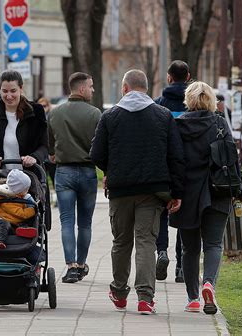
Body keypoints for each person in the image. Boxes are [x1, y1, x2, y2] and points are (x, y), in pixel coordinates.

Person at [90, 69, 185, 314]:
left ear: (124, 88)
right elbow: (176, 156)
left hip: (121, 190)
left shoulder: (110, 116)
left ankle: (119, 292)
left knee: (121, 242)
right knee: (146, 241)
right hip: (152, 191)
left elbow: (96, 154)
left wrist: (111, 169)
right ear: (146, 89)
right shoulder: (163, 115)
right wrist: (177, 191)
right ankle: (145, 298)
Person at [169, 81, 242, 314]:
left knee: (189, 249)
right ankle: (209, 284)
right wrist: (240, 189)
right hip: (218, 191)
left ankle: (193, 298)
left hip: (187, 194)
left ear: (188, 100)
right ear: (211, 100)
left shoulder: (177, 125)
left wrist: (172, 193)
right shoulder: (220, 123)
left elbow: (173, 160)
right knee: (213, 244)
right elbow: (232, 159)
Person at [47, 72, 102, 283]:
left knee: (67, 221)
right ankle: (81, 264)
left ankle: (70, 266)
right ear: (81, 89)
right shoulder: (95, 114)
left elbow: (50, 145)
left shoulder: (55, 113)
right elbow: (101, 145)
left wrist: (55, 153)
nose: (93, 90)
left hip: (64, 172)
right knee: (85, 223)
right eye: (90, 86)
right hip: (88, 172)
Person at [154, 60, 190, 282]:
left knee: (161, 213)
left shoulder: (159, 104)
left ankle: (162, 252)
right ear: (188, 77)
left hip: (162, 167)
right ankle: (181, 267)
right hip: (187, 167)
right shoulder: (193, 104)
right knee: (184, 216)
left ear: (169, 78)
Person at [0, 69, 48, 170]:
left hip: (31, 176)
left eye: (13, 91)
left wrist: (34, 157)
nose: (9, 96)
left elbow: (45, 146)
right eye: (5, 91)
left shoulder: (36, 112)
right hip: (0, 178)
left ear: (21, 88)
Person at [0, 169, 37, 249]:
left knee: (21, 224)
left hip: (13, 222)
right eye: (26, 189)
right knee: (4, 224)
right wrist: (33, 210)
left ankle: (23, 230)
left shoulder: (18, 196)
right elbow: (21, 214)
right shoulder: (7, 200)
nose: (27, 191)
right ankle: (1, 241)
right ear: (18, 191)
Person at [37, 96, 56, 186]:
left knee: (55, 180)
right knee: (43, 182)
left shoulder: (52, 117)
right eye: (41, 106)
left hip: (51, 155)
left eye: (44, 106)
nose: (43, 108)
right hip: (42, 156)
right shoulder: (37, 117)